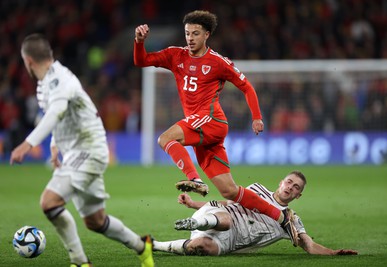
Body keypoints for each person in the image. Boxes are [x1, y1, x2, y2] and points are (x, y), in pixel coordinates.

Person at [134, 10, 297, 244]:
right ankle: (281, 217)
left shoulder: (218, 62)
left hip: (211, 121)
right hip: (202, 130)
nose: (190, 38)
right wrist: (139, 42)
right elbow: (141, 61)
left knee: (164, 139)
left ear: (207, 35)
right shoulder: (175, 55)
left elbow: (247, 87)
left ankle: (195, 179)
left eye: (196, 34)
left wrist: (257, 117)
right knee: (230, 192)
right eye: (187, 33)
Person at [10, 33, 154, 267]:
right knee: (96, 221)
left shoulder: (60, 80)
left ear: (27, 61)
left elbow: (56, 112)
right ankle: (142, 246)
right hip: (77, 151)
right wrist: (55, 145)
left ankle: (79, 262)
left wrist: (28, 143)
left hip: (88, 149)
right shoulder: (44, 84)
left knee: (49, 203)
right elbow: (58, 115)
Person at [153, 171, 358, 256]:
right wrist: (192, 204)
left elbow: (309, 245)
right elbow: (226, 202)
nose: (290, 187)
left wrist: (333, 253)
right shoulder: (257, 189)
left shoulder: (292, 220)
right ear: (280, 182)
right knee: (227, 219)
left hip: (229, 243)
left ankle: (155, 245)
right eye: (288, 182)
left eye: (296, 187)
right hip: (217, 216)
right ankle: (194, 223)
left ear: (298, 195)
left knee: (200, 247)